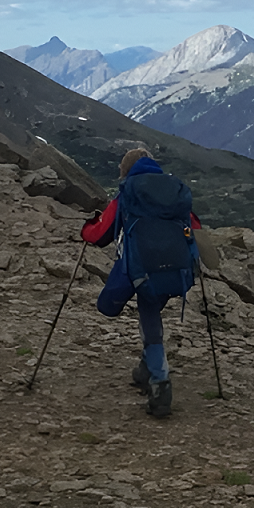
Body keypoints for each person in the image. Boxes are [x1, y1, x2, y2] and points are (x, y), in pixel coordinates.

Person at [81, 148, 202, 418]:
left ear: (126, 169)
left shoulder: (129, 191)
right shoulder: (173, 190)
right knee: (152, 308)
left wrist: (86, 228)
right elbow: (194, 225)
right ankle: (147, 369)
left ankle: (160, 383)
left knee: (145, 309)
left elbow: (100, 234)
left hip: (142, 267)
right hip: (177, 268)